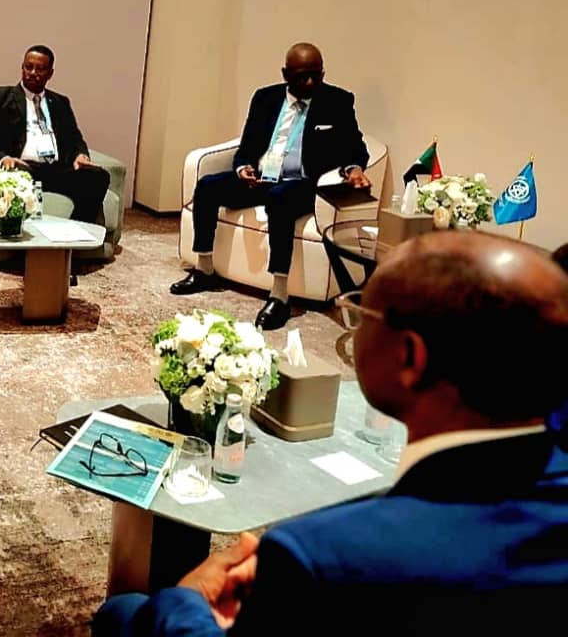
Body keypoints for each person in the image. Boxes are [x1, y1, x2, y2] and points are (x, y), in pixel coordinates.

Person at [96, 229, 568, 636]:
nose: (354, 325)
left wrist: (185, 599)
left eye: (361, 312)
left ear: (410, 357)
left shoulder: (320, 555)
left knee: (123, 613)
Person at [171, 43, 371, 330]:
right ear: (285, 74)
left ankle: (279, 295)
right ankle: (204, 269)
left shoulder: (337, 101)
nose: (310, 82)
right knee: (207, 186)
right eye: (302, 77)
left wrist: (353, 169)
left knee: (279, 198)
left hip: (303, 184)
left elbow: (356, 149)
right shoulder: (265, 98)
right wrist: (243, 168)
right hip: (261, 178)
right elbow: (246, 147)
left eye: (316, 75)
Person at [0, 45, 110, 226]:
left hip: (56, 169)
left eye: (40, 69)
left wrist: (81, 155)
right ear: (22, 68)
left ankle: (76, 231)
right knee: (19, 176)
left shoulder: (60, 102)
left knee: (98, 176)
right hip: (22, 167)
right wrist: (4, 158)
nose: (33, 73)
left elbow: (75, 138)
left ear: (50, 73)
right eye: (28, 67)